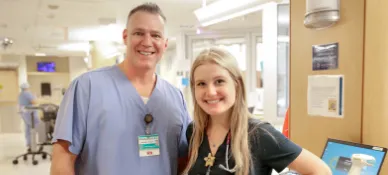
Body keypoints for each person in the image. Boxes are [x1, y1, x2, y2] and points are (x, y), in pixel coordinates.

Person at [50, 3, 191, 175]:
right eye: (139, 33)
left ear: (165, 43)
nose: (147, 42)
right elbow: (62, 160)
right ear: (125, 37)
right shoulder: (87, 88)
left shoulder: (175, 97)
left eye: (156, 35)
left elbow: (183, 160)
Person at [182, 47, 332, 175]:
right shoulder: (194, 132)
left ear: (237, 85)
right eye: (201, 84)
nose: (211, 92)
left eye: (219, 81)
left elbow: (321, 171)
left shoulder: (259, 134)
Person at [18, 82, 39, 151]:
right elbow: (34, 102)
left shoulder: (21, 94)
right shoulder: (27, 94)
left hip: (24, 113)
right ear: (27, 87)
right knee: (33, 127)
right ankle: (33, 145)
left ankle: (29, 144)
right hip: (30, 113)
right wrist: (35, 97)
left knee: (28, 128)